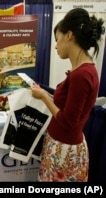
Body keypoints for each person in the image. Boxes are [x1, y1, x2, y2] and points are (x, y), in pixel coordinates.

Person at [31, 8, 105, 182]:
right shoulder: (82, 70)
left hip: (64, 151)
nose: (55, 46)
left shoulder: (81, 75)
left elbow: (67, 121)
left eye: (57, 40)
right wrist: (46, 96)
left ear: (69, 35)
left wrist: (43, 96)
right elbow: (66, 108)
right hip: (61, 146)